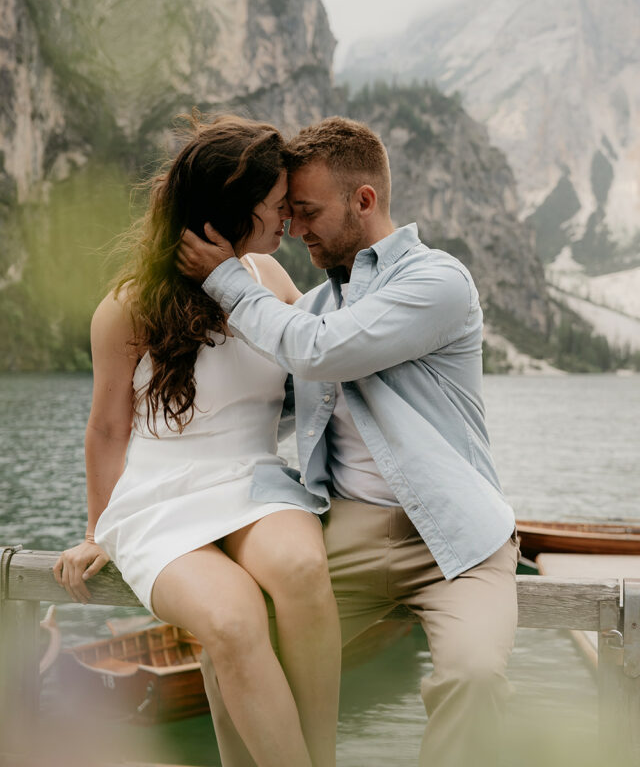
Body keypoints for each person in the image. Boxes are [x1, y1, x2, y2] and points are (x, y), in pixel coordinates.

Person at [177, 115, 519, 767]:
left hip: (456, 539)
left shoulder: (437, 281)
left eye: (307, 211)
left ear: (363, 200)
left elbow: (321, 352)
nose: (295, 229)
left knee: (474, 677)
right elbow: (261, 407)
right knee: (235, 650)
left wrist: (227, 278)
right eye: (290, 212)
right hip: (346, 531)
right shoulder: (311, 309)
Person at [53, 114, 341, 767]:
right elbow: (107, 429)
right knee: (234, 619)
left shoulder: (269, 278)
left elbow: (321, 358)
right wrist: (96, 532)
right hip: (159, 500)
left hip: (256, 482)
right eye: (276, 204)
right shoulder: (128, 305)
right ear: (233, 208)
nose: (288, 217)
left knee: (301, 570)